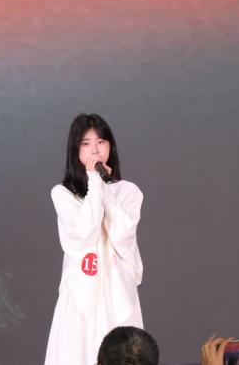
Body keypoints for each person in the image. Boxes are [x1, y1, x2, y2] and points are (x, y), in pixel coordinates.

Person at [44, 113, 145, 365]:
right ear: (75, 150)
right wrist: (95, 183)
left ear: (111, 146)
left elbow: (121, 232)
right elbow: (83, 233)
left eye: (101, 142)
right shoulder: (63, 194)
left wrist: (103, 188)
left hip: (118, 290)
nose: (95, 150)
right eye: (86, 143)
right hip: (81, 293)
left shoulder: (129, 191)